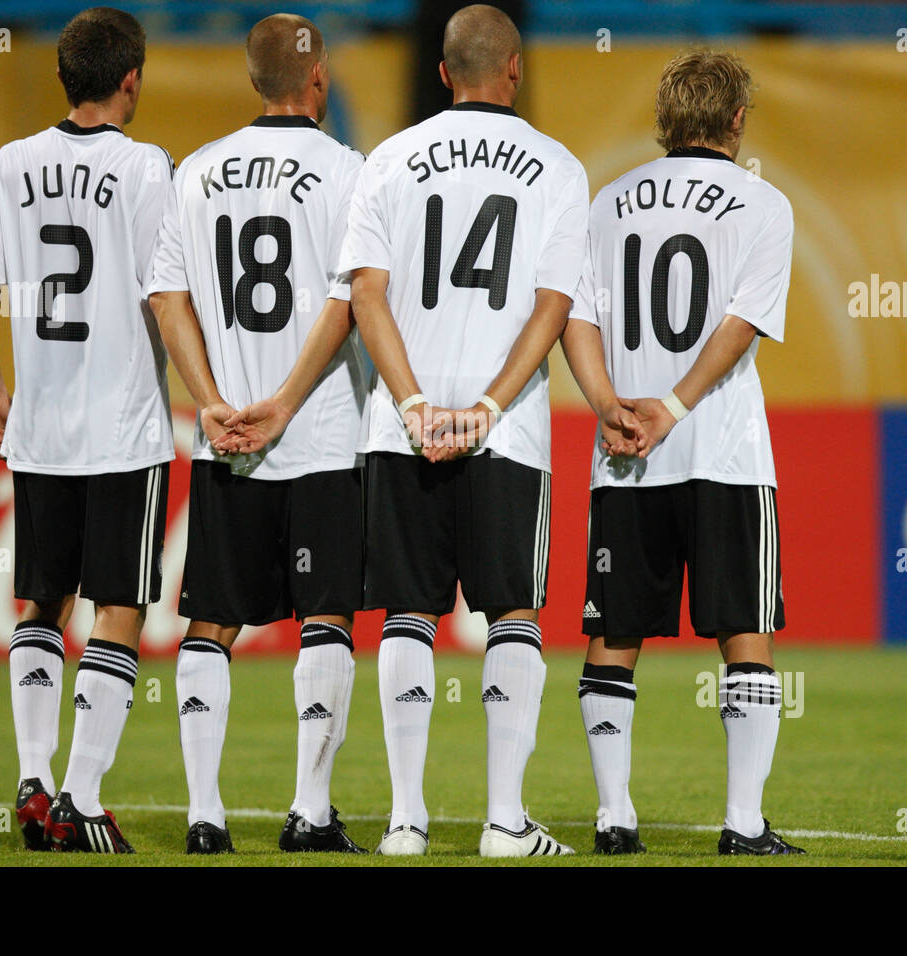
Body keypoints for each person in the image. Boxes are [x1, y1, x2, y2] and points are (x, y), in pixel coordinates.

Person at [335, 3, 589, 857]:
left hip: (398, 426)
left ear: (442, 73)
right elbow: (553, 308)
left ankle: (405, 819)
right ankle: (503, 822)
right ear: (515, 69)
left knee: (409, 613)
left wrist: (412, 405)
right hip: (505, 432)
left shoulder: (389, 159)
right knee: (511, 612)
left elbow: (364, 293)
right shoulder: (557, 167)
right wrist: (484, 407)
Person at [563, 48, 804, 855]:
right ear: (737, 119)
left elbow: (579, 319)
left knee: (615, 631)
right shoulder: (764, 204)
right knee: (745, 629)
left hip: (626, 454)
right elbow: (739, 325)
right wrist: (673, 407)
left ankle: (613, 818)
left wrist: (609, 405)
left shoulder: (608, 203)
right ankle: (741, 823)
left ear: (667, 120)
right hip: (723, 451)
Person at [147, 13, 369, 855]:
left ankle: (205, 816)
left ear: (252, 80)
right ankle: (309, 812)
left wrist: (209, 402)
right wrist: (284, 400)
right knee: (328, 618)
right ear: (317, 83)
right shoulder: (350, 171)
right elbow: (354, 302)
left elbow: (168, 298)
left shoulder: (194, 173)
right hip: (319, 436)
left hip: (225, 438)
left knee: (211, 621)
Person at [0, 6, 174, 854]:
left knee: (40, 601)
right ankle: (81, 797)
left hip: (41, 428)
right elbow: (169, 296)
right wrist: (208, 389)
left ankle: (34, 776)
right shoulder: (147, 167)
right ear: (132, 78)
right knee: (117, 606)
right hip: (123, 427)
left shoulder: (10, 166)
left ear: (61, 77)